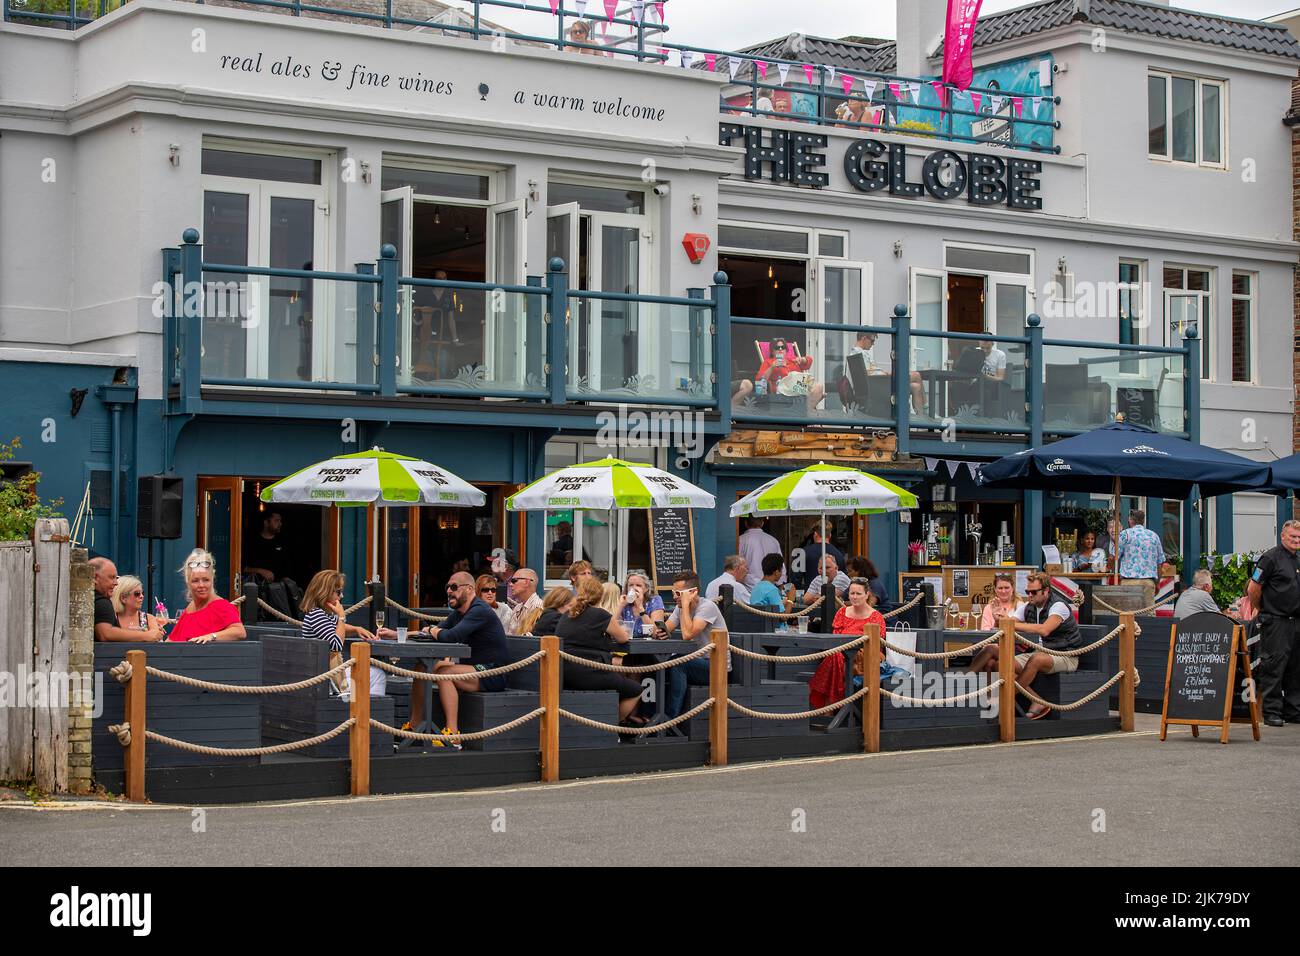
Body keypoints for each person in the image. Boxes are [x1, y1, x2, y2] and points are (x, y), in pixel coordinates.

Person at [418, 571, 511, 748]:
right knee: (423, 667)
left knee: (445, 672)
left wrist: (431, 630)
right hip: (474, 669)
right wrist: (398, 634)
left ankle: (453, 734)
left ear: (469, 589)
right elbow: (437, 630)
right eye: (447, 587)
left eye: (454, 587)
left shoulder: (479, 610)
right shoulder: (460, 612)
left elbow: (451, 636)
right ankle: (414, 726)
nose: (449, 591)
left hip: (493, 672)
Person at [974, 571, 1083, 719]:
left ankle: (1001, 697)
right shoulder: (1028, 606)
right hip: (1039, 652)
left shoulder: (1058, 606)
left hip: (1065, 655)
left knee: (1036, 659)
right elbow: (1008, 623)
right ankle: (962, 683)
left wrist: (1011, 624)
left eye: (1033, 592)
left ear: (1046, 591)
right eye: (1027, 592)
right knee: (993, 653)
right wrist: (998, 618)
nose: (1030, 595)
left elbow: (1044, 630)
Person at [556, 577, 645, 725]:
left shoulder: (568, 614)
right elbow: (623, 638)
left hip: (565, 672)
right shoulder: (599, 614)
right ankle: (612, 724)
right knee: (635, 690)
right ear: (600, 596)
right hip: (590, 674)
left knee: (617, 679)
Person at [1246, 520, 1300, 727]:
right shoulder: (1270, 558)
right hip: (1276, 620)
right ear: (1283, 536)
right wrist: (1263, 610)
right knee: (1274, 666)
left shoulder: (1297, 559)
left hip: (1296, 621)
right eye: (1292, 536)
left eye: (1299, 537)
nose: (1296, 540)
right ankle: (1272, 712)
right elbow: (1253, 588)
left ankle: (1294, 710)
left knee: (1296, 667)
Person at [299, 570, 385, 696]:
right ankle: (359, 710)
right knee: (377, 675)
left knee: (375, 673)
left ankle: (356, 707)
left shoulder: (322, 614)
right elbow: (336, 645)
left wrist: (356, 629)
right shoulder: (316, 615)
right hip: (325, 678)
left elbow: (337, 626)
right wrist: (341, 617)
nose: (342, 596)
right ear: (324, 592)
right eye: (338, 592)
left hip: (328, 672)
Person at [661, 572, 730, 719]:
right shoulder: (680, 608)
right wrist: (658, 630)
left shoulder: (707, 607)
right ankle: (649, 715)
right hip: (698, 663)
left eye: (678, 593)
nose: (674, 597)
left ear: (693, 592)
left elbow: (687, 634)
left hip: (716, 667)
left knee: (678, 664)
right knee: (659, 666)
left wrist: (685, 605)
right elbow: (666, 628)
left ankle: (669, 719)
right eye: (674, 592)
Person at [168, 549, 247, 644]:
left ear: (212, 580)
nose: (201, 585)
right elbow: (172, 640)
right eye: (195, 581)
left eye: (206, 580)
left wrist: (212, 636)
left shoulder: (221, 605)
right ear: (188, 583)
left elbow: (240, 632)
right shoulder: (190, 608)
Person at [847, 330, 927, 413]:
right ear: (863, 338)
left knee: (916, 387)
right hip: (880, 386)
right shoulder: (860, 353)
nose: (873, 344)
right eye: (872, 340)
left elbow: (869, 372)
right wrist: (886, 374)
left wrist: (886, 373)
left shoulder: (855, 353)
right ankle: (926, 407)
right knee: (916, 375)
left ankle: (920, 416)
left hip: (877, 385)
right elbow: (869, 373)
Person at [90, 557, 159, 643]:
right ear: (96, 578)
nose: (116, 583)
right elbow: (105, 634)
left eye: (143, 593)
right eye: (111, 577)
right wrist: (146, 635)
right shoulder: (102, 602)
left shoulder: (90, 599)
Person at [756, 337, 825, 412]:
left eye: (783, 347)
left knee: (819, 386)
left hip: (799, 387)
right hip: (783, 390)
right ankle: (806, 415)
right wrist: (772, 367)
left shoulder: (792, 360)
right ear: (772, 351)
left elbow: (809, 361)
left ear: (786, 350)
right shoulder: (768, 362)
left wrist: (802, 360)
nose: (780, 349)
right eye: (777, 348)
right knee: (812, 394)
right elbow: (760, 379)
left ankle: (805, 413)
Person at [1118, 510, 1165, 594]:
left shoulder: (1125, 534)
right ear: (1143, 521)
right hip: (1148, 582)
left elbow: (1114, 556)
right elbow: (1160, 563)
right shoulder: (1154, 536)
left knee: (1128, 607)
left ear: (1130, 520)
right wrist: (1157, 583)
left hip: (1128, 582)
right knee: (1148, 607)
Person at [112, 576, 167, 640]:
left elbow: (155, 636)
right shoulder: (113, 618)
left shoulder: (149, 618)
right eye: (137, 593)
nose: (142, 596)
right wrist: (146, 635)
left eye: (142, 593)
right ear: (123, 598)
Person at [737, 517, 783, 588]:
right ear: (762, 523)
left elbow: (737, 564)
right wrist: (780, 584)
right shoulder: (773, 541)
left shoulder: (741, 540)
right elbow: (780, 564)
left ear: (746, 523)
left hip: (748, 587)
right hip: (769, 587)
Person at [243, 510, 288, 583]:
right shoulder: (251, 542)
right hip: (256, 588)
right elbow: (241, 568)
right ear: (266, 523)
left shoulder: (283, 541)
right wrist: (260, 571)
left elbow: (288, 566)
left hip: (278, 589)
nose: (280, 524)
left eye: (280, 521)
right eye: (276, 521)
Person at [619, 572, 665, 637]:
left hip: (648, 644)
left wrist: (640, 607)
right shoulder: (624, 602)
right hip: (626, 644)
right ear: (627, 588)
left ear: (646, 589)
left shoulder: (655, 600)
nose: (634, 588)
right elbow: (611, 628)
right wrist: (620, 606)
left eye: (638, 585)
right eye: (631, 585)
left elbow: (656, 632)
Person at [505, 567, 543, 635]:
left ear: (526, 582)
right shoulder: (518, 607)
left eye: (514, 581)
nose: (510, 584)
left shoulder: (539, 608)